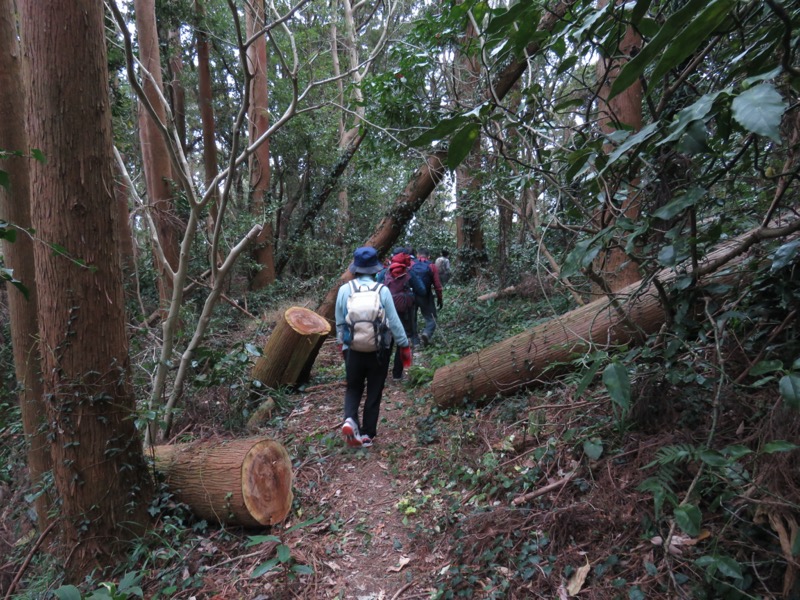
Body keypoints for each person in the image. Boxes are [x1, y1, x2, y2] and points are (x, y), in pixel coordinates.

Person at [335, 246, 412, 448]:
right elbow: (394, 322)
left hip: (354, 349)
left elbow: (340, 324)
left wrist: (343, 346)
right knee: (374, 390)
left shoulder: (345, 290)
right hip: (379, 350)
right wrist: (404, 345)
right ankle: (368, 434)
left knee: (353, 387)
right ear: (375, 269)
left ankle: (350, 419)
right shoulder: (382, 291)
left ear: (355, 268)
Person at [410, 248, 443, 346]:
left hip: (411, 295)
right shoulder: (431, 266)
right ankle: (427, 333)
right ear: (428, 256)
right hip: (426, 295)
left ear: (417, 255)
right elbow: (437, 285)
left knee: (412, 318)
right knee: (431, 318)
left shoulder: (411, 264)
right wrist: (440, 299)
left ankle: (415, 342)